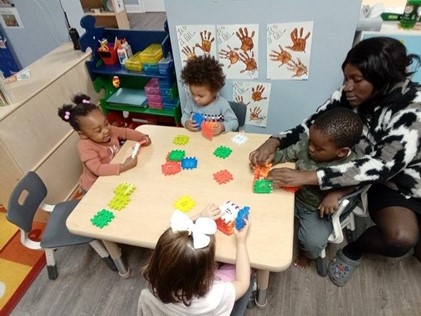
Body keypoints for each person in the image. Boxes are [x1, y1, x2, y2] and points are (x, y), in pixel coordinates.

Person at [249, 37, 421, 286]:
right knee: (401, 238)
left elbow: (383, 166)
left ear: (383, 79)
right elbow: (312, 126)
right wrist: (274, 141)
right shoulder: (347, 95)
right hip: (383, 184)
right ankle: (354, 249)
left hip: (403, 179)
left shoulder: (412, 110)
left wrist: (309, 177)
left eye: (356, 80)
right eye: (345, 78)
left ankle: (352, 249)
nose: (347, 87)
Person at [270, 107, 363, 269]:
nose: (311, 148)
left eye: (318, 148)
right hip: (292, 196)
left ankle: (308, 256)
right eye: (311, 141)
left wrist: (336, 193)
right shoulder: (307, 146)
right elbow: (286, 154)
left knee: (312, 243)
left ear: (341, 152)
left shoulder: (351, 165)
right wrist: (270, 157)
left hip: (315, 210)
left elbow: (357, 184)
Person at [139, 204, 251, 315]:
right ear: (208, 271)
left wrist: (200, 216)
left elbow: (178, 232)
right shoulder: (214, 297)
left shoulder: (148, 295)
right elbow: (243, 282)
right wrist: (241, 243)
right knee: (242, 269)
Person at [58, 93, 151, 193]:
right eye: (98, 130)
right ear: (83, 134)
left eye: (106, 123)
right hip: (94, 186)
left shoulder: (108, 130)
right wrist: (124, 166)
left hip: (112, 173)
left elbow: (125, 132)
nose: (106, 130)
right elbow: (98, 169)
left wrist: (141, 136)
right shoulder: (84, 147)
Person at [180, 55, 239, 135]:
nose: (196, 99)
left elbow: (234, 122)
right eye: (193, 94)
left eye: (201, 96)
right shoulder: (191, 102)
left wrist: (222, 127)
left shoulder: (222, 104)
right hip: (198, 141)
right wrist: (186, 123)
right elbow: (184, 117)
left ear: (214, 91)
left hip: (217, 142)